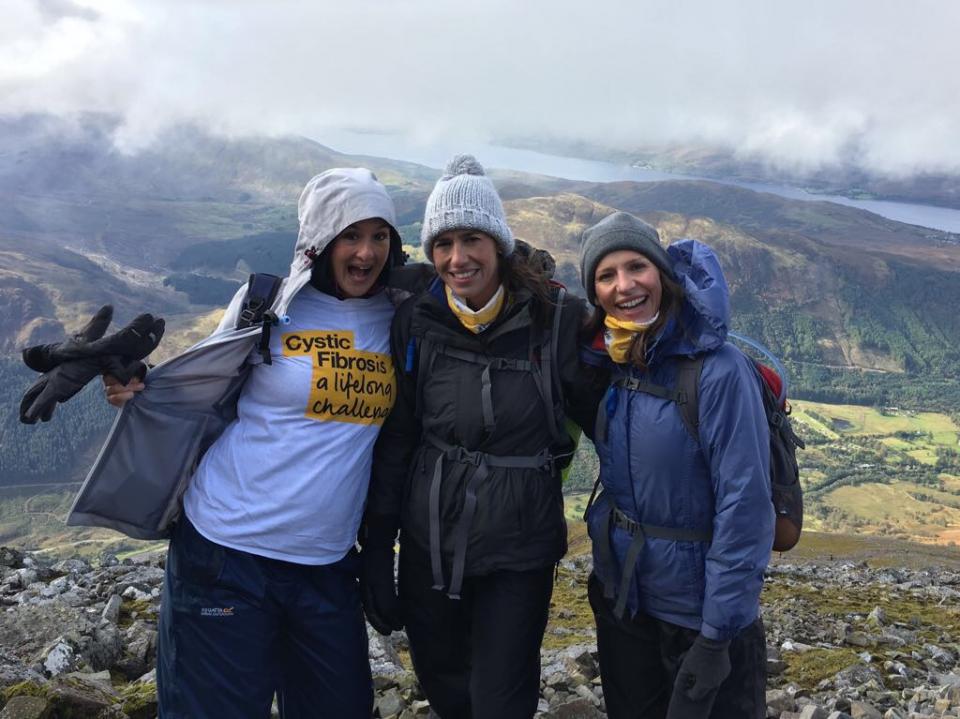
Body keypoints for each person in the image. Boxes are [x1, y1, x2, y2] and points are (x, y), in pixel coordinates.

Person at [101, 167, 405, 719]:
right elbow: (202, 381)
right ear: (320, 241)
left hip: (328, 564)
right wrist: (140, 386)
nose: (366, 252)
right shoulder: (266, 301)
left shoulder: (399, 312)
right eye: (350, 235)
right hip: (226, 552)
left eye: (379, 235)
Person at [361, 155, 602, 719]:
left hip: (520, 550)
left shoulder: (556, 320)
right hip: (429, 544)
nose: (457, 258)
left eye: (472, 239)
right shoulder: (417, 322)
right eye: (443, 243)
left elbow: (612, 425)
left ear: (498, 244)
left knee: (500, 699)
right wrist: (377, 549)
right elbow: (399, 439)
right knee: (445, 688)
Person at [579, 211, 774, 719]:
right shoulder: (614, 360)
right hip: (627, 609)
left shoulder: (720, 372)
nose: (624, 286)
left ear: (661, 274)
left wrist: (716, 639)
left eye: (636, 266)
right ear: (594, 291)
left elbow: (745, 507)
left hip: (700, 620)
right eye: (606, 275)